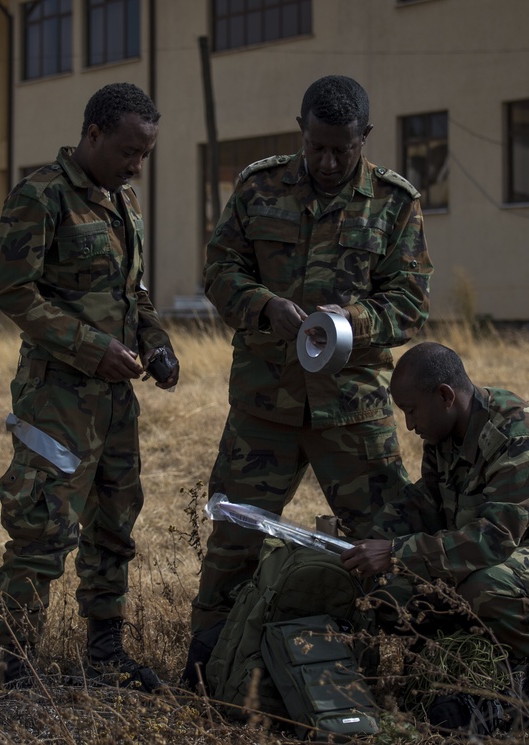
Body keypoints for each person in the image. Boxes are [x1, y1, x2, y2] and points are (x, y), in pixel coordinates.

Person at [183, 75, 432, 685]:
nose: (326, 161)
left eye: (341, 149)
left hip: (351, 411)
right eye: (316, 145)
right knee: (234, 538)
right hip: (264, 407)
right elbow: (218, 271)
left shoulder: (395, 203)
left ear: (364, 139)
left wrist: (357, 318)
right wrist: (265, 304)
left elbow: (410, 302)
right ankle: (207, 668)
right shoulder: (258, 187)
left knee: (388, 539)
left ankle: (412, 671)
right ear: (301, 130)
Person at [0, 82, 179, 692]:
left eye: (145, 155)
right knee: (43, 530)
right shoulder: (41, 196)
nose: (137, 166)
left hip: (116, 402)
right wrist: (93, 349)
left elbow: (135, 294)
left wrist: (156, 342)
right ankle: (16, 667)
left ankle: (105, 655)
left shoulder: (124, 204)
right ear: (92, 134)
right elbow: (14, 293)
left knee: (114, 525)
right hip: (57, 400)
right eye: (129, 151)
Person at [341, 341, 529, 730]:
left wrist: (395, 553)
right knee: (389, 595)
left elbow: (494, 540)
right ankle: (462, 667)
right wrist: (361, 546)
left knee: (483, 588)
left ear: (445, 396)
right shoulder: (442, 437)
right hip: (503, 563)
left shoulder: (519, 436)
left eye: (411, 411)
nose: (408, 425)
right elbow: (425, 503)